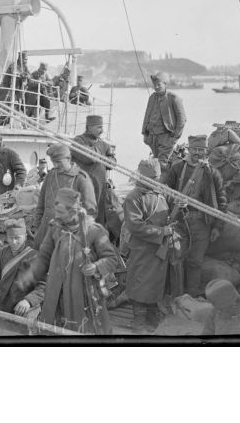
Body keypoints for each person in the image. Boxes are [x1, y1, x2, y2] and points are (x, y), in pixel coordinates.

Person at [19, 188, 118, 334]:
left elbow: (112, 259)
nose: (57, 216)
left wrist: (96, 267)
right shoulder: (55, 228)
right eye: (56, 212)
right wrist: (31, 273)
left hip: (83, 295)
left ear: (73, 212)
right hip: (56, 293)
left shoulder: (94, 231)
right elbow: (44, 256)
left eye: (61, 213)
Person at [163, 135, 228, 297]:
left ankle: (191, 296)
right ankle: (176, 296)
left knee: (195, 261)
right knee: (176, 258)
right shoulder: (177, 169)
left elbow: (222, 201)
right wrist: (175, 201)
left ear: (206, 151)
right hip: (179, 221)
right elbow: (164, 191)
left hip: (202, 222)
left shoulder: (213, 173)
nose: (198, 153)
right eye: (194, 149)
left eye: (201, 149)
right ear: (189, 149)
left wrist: (217, 227)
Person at [123, 158, 176, 333]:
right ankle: (139, 322)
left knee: (155, 284)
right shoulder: (133, 197)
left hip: (159, 248)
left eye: (157, 177)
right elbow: (135, 226)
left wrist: (180, 206)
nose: (156, 181)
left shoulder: (161, 193)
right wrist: (162, 231)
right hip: (142, 248)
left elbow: (172, 206)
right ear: (142, 176)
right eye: (152, 178)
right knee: (140, 284)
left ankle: (151, 318)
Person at [0, 218, 45, 320]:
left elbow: (43, 286)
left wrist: (29, 301)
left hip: (23, 302)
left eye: (17, 238)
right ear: (7, 237)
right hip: (2, 297)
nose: (14, 242)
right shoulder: (1, 254)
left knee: (30, 316)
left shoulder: (36, 257)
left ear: (25, 237)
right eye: (11, 238)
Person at [33, 144, 97, 249]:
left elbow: (90, 212)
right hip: (45, 232)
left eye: (59, 162)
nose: (55, 165)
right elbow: (41, 205)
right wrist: (37, 228)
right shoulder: (50, 176)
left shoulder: (80, 178)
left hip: (68, 237)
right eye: (53, 162)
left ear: (68, 159)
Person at [71, 115, 117, 225]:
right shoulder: (78, 141)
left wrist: (107, 158)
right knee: (83, 215)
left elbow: (112, 163)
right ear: (89, 127)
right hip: (82, 186)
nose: (102, 131)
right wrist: (103, 156)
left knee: (99, 217)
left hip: (100, 187)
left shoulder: (104, 144)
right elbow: (89, 158)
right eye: (99, 127)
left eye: (102, 127)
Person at [141, 71, 187, 172]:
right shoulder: (152, 98)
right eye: (154, 85)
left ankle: (160, 180)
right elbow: (147, 115)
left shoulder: (174, 98)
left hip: (166, 137)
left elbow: (182, 119)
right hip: (152, 137)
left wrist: (175, 136)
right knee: (156, 161)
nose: (156, 87)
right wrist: (145, 133)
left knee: (161, 163)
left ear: (165, 84)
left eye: (159, 84)